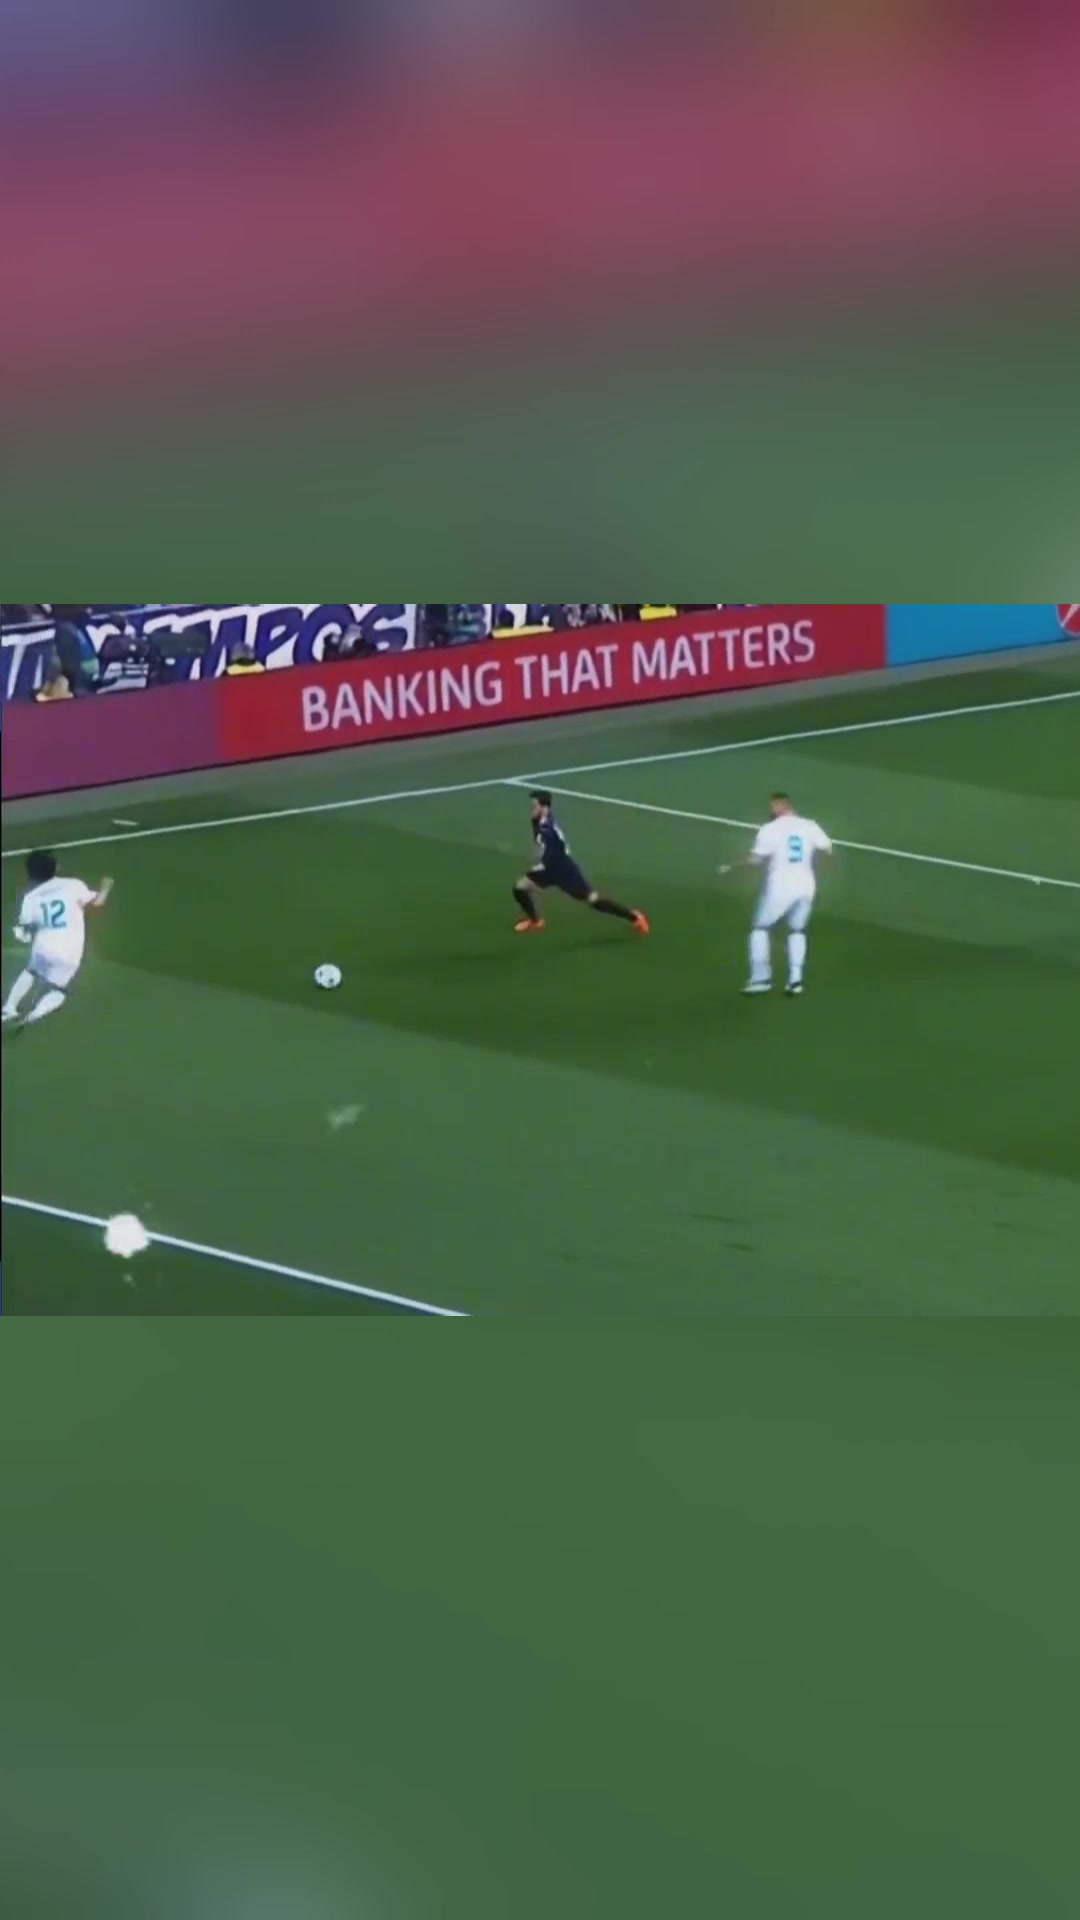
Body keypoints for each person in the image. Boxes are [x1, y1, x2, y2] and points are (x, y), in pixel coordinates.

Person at [721, 793, 832, 996]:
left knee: (760, 928)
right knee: (797, 930)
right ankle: (795, 981)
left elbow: (755, 860)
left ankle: (761, 979)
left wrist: (733, 866)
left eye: (772, 806)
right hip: (807, 886)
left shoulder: (770, 829)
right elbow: (827, 850)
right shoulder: (810, 825)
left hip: (781, 886)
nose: (770, 810)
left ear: (779, 806)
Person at [512, 791, 649, 936]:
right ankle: (535, 921)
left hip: (563, 870)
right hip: (548, 869)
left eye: (534, 806)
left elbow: (553, 851)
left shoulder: (547, 828)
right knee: (520, 888)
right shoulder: (539, 820)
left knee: (593, 900)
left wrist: (540, 864)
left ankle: (635, 917)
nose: (532, 809)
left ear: (544, 808)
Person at [2, 852, 112, 1026]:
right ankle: (33, 1015)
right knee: (58, 989)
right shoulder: (73, 885)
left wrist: (24, 935)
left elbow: (24, 929)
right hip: (69, 951)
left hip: (43, 947)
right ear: (55, 867)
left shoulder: (30, 898)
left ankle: (9, 1008)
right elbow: (97, 903)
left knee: (31, 971)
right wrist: (105, 888)